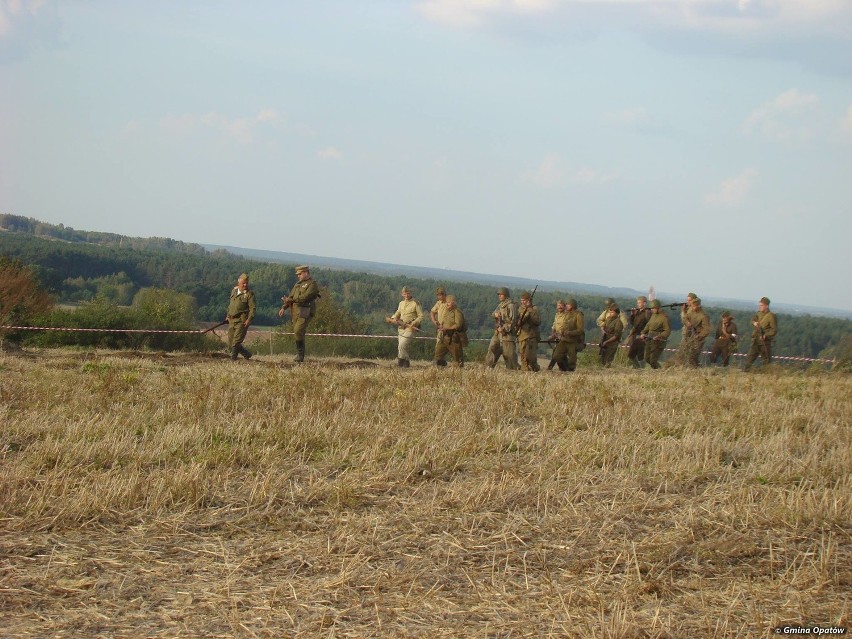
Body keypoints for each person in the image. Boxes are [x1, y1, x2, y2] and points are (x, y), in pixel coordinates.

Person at [279, 265, 320, 362]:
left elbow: (305, 297)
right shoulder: (297, 284)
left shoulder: (312, 284)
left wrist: (291, 300)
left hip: (305, 311)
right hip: (296, 312)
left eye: (300, 274)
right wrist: (284, 307)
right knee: (298, 333)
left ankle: (300, 355)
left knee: (298, 330)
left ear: (306, 273)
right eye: (298, 274)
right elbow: (291, 296)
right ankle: (300, 355)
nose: (298, 276)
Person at [387, 286, 423, 368]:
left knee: (402, 345)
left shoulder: (415, 303)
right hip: (401, 328)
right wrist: (393, 318)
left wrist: (414, 323)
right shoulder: (401, 303)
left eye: (408, 293)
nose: (406, 295)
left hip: (410, 328)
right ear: (402, 294)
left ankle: (400, 362)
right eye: (404, 293)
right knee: (401, 348)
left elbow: (421, 316)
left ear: (410, 293)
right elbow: (397, 313)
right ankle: (406, 364)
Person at [485, 287, 519, 370]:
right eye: (499, 295)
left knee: (509, 355)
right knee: (492, 348)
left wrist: (503, 329)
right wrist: (496, 315)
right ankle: (488, 367)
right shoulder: (501, 304)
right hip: (498, 333)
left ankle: (512, 371)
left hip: (508, 334)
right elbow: (493, 314)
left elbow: (513, 321)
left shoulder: (511, 305)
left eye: (501, 294)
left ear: (506, 295)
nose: (499, 296)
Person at [225, 273, 256, 361]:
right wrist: (227, 315)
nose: (245, 285)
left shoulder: (250, 294)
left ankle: (233, 359)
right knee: (231, 341)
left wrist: (249, 319)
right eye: (243, 283)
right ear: (239, 282)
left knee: (236, 341)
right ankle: (246, 354)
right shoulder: (234, 291)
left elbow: (252, 308)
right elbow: (231, 305)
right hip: (231, 320)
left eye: (247, 283)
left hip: (242, 320)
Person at [744, 297, 778, 371]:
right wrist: (754, 323)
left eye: (761, 305)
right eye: (759, 305)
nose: (760, 306)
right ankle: (745, 372)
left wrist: (766, 335)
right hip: (756, 340)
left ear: (766, 306)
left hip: (764, 342)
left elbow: (774, 330)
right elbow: (752, 320)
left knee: (766, 362)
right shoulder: (758, 313)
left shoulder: (771, 316)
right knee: (749, 359)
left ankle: (767, 377)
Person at [552, 298, 585, 372]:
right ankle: (563, 369)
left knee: (572, 360)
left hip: (573, 341)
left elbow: (580, 330)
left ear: (573, 305)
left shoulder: (578, 315)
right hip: (564, 339)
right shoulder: (566, 314)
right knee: (556, 356)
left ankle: (570, 371)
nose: (566, 306)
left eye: (568, 304)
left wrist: (570, 333)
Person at [434, 294, 466, 367]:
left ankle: (459, 373)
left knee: (457, 360)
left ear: (454, 303)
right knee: (437, 356)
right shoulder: (447, 311)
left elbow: (458, 325)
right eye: (447, 302)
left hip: (454, 338)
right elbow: (444, 322)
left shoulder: (457, 312)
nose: (447, 304)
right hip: (444, 337)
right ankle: (438, 371)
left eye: (449, 302)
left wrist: (448, 328)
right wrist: (441, 326)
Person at [640, 300, 671, 369]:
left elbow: (667, 331)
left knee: (653, 360)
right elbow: (648, 325)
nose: (652, 310)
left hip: (658, 341)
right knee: (646, 358)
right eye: (651, 308)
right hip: (649, 339)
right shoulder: (653, 315)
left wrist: (659, 336)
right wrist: (643, 333)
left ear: (658, 308)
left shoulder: (664, 317)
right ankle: (659, 370)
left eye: (653, 308)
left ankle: (659, 372)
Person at [681, 297, 711, 367]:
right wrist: (687, 322)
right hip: (688, 336)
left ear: (698, 306)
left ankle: (694, 369)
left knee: (693, 356)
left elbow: (706, 330)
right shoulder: (691, 312)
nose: (693, 307)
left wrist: (699, 336)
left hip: (698, 338)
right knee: (684, 354)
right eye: (692, 306)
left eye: (694, 306)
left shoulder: (703, 316)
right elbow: (685, 318)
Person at [516, 291, 541, 371]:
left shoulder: (534, 309)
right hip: (522, 335)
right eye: (521, 300)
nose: (522, 302)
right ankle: (525, 370)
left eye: (524, 300)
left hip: (531, 335)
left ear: (529, 300)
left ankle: (535, 369)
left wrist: (529, 313)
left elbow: (537, 322)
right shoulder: (520, 308)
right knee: (523, 355)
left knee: (531, 357)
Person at [626, 296, 652, 368]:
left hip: (642, 336)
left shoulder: (647, 313)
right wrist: (632, 315)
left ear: (644, 303)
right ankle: (637, 367)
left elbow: (649, 324)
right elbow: (633, 323)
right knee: (631, 354)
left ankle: (641, 369)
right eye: (637, 303)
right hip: (635, 335)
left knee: (640, 354)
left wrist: (645, 334)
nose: (638, 304)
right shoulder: (637, 312)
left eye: (640, 303)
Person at [430, 286, 449, 366]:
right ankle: (440, 362)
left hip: (448, 328)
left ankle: (441, 361)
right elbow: (432, 312)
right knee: (438, 345)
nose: (440, 297)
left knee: (448, 346)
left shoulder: (449, 302)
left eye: (441, 295)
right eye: (438, 295)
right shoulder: (438, 303)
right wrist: (434, 321)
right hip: (440, 328)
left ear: (445, 294)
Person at [546, 300, 566, 370]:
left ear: (564, 306)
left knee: (556, 354)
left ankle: (549, 368)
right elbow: (554, 326)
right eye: (558, 305)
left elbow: (567, 327)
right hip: (557, 337)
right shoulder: (557, 315)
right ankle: (565, 369)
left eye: (561, 305)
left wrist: (561, 335)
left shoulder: (567, 315)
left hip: (564, 337)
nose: (559, 307)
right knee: (560, 356)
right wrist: (553, 335)